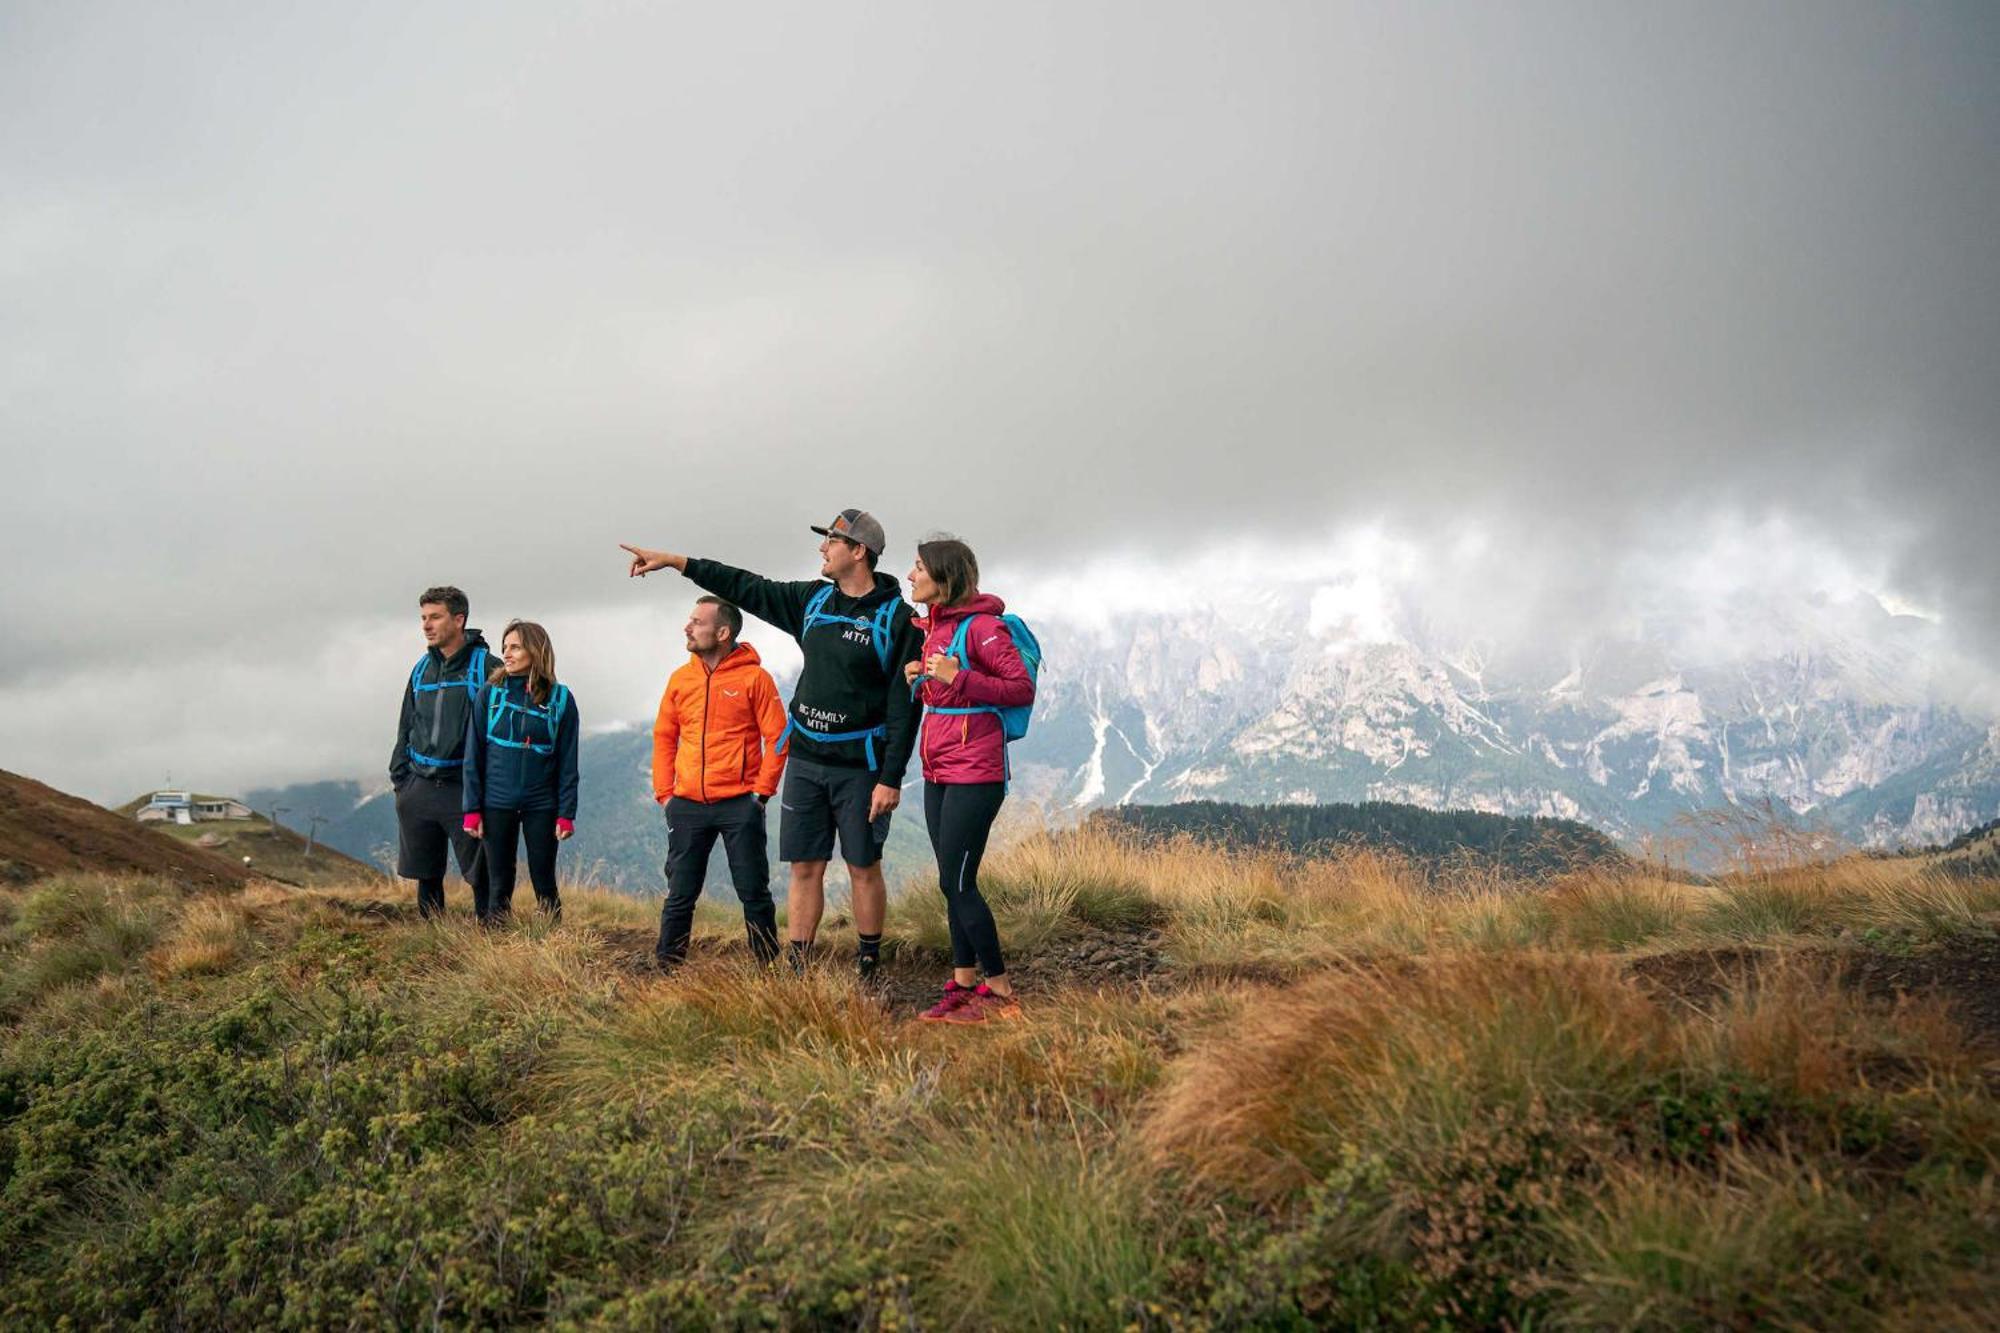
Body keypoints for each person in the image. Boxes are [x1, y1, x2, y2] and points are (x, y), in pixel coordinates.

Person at [621, 509, 923, 980]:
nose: (823, 548)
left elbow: (906, 705)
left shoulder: (898, 619)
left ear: (858, 551)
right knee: (805, 865)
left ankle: (869, 959)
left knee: (864, 864)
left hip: (860, 765)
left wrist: (890, 778)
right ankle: (798, 962)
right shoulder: (813, 602)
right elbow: (746, 586)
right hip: (805, 759)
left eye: (832, 541)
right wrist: (678, 562)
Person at [904, 537, 1035, 1023]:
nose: (911, 576)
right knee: (949, 881)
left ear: (944, 576)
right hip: (939, 768)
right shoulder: (936, 628)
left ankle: (1001, 993)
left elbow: (1019, 689)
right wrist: (920, 679)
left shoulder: (983, 628)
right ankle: (962, 986)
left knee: (958, 881)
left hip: (976, 770)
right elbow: (948, 693)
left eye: (918, 567)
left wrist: (956, 676)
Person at [652, 596, 789, 969]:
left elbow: (777, 736)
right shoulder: (681, 679)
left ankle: (767, 966)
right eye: (690, 619)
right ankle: (667, 967)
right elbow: (665, 735)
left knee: (753, 892)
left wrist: (761, 794)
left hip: (739, 804)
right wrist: (666, 794)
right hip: (686, 804)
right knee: (680, 893)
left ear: (723, 632)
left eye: (697, 621)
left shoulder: (754, 678)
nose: (688, 627)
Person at [462, 620, 580, 922]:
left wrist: (566, 813)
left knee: (544, 880)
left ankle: (553, 943)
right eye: (505, 648)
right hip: (495, 802)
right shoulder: (490, 695)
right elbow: (473, 755)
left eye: (515, 647)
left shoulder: (562, 700)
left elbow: (568, 763)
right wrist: (471, 809)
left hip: (542, 804)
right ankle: (495, 948)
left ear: (535, 650)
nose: (507, 654)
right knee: (499, 882)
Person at [389, 586, 494, 919]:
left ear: (459, 619)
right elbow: (406, 724)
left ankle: (493, 945)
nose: (426, 625)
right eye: (423, 617)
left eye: (435, 617)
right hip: (419, 786)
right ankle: (432, 940)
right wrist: (401, 781)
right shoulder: (421, 669)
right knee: (426, 873)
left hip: (466, 788)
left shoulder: (488, 668)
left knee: (483, 875)